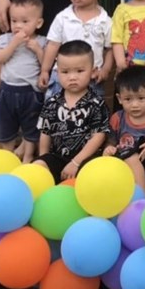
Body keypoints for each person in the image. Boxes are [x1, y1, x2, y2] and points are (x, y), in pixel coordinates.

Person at [33, 40, 110, 182]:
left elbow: (98, 136)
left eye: (80, 71)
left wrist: (75, 162)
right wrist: (44, 157)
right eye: (65, 72)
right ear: (57, 73)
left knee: (96, 175)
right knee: (38, 166)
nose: (72, 77)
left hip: (86, 160)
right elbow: (45, 133)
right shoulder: (51, 103)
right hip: (58, 158)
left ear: (93, 71)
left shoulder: (97, 104)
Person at [38, 0, 113, 99]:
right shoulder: (62, 17)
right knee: (57, 110)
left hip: (91, 78)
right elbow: (52, 45)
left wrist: (105, 70)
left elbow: (109, 49)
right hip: (62, 78)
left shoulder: (106, 21)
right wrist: (45, 70)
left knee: (90, 111)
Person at [0, 0, 48, 163]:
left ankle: (28, 156)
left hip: (31, 92)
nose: (18, 26)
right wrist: (14, 43)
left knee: (31, 126)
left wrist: (38, 50)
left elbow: (46, 64)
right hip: (7, 90)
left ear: (38, 23)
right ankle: (8, 155)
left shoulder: (42, 41)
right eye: (14, 21)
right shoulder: (5, 39)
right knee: (6, 125)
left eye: (25, 21)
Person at [105, 66, 145, 193]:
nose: (135, 105)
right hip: (123, 162)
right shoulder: (117, 118)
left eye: (141, 98)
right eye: (128, 99)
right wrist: (109, 148)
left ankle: (142, 197)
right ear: (119, 99)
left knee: (132, 154)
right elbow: (110, 142)